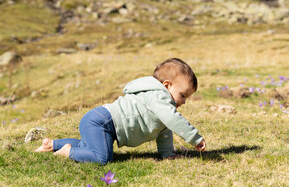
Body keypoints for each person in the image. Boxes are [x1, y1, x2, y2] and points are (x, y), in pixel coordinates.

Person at [34, 58, 206, 164]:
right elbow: (173, 119)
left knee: (93, 147)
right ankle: (68, 152)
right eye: (182, 95)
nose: (183, 102)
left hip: (102, 123)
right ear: (167, 85)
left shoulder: (160, 105)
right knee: (102, 158)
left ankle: (52, 145)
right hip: (102, 121)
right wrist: (194, 138)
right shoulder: (158, 97)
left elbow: (164, 131)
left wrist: (167, 155)